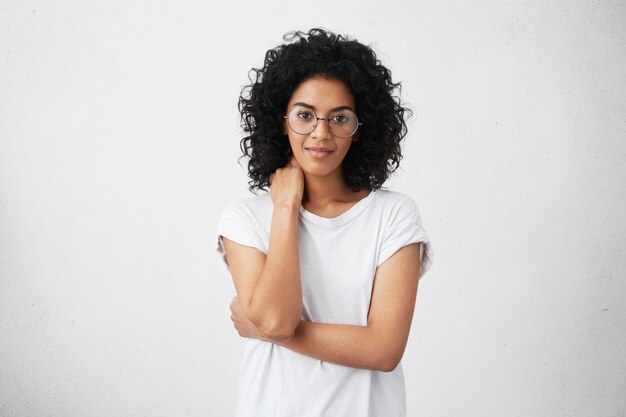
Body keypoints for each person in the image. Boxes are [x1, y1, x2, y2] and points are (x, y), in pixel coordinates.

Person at [216, 28, 434, 417]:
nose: (321, 132)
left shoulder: (393, 216)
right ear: (282, 121)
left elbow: (384, 350)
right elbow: (276, 319)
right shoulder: (245, 218)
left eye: (340, 118)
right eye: (305, 115)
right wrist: (285, 208)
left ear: (359, 128)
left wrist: (265, 329)